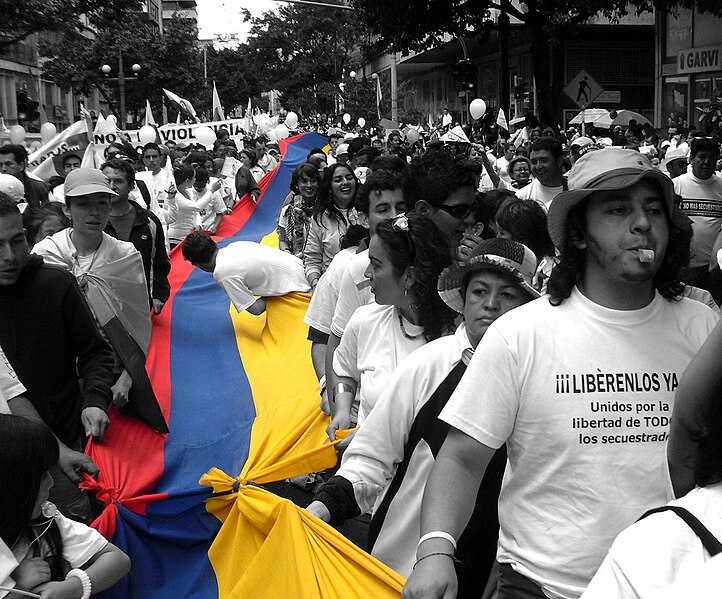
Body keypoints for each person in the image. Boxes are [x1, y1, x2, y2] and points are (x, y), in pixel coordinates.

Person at [403, 149, 718, 599]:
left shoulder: (701, 328)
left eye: (653, 211)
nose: (642, 223)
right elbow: (460, 458)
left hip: (672, 584)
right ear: (580, 233)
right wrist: (434, 551)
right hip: (542, 587)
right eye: (618, 210)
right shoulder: (520, 333)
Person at [307, 239, 539, 592]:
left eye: (507, 295)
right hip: (397, 576)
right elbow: (371, 458)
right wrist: (324, 507)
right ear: (463, 300)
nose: (490, 305)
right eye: (479, 291)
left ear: (526, 307)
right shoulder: (429, 365)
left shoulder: (539, 385)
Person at [0, 192, 114, 522]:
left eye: (17, 240)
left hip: (61, 455)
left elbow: (97, 353)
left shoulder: (55, 284)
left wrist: (95, 399)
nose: (9, 256)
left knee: (76, 541)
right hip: (10, 465)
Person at [33, 168, 153, 421]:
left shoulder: (125, 255)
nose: (94, 212)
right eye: (83, 204)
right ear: (67, 209)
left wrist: (127, 378)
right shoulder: (46, 254)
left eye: (102, 203)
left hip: (112, 372)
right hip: (61, 375)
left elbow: (139, 324)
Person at [328, 212, 456, 439]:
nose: (367, 274)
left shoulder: (458, 338)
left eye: (376, 265)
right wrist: (342, 409)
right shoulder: (364, 321)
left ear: (409, 276)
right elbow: (344, 371)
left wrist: (369, 438)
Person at [0, 414, 131, 598]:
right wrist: (19, 586)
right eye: (43, 476)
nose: (52, 482)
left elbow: (118, 560)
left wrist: (73, 587)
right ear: (14, 487)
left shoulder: (43, 522)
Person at [182, 231, 311, 316]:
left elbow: (256, 309)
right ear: (214, 243)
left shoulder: (222, 272)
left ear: (197, 265)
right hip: (307, 273)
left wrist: (276, 292)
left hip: (301, 292)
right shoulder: (235, 246)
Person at [101, 159, 171, 313]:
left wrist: (159, 295)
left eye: (118, 181)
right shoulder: (93, 222)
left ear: (131, 186)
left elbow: (160, 261)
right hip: (103, 306)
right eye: (107, 181)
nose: (112, 186)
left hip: (142, 306)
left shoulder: (149, 221)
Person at [673, 137, 722, 300]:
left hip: (713, 269)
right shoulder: (676, 186)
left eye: (711, 157)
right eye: (702, 157)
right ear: (692, 159)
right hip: (683, 266)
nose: (707, 162)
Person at [303, 163, 358, 288]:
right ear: (329, 188)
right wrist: (317, 285)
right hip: (333, 287)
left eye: (349, 178)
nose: (345, 182)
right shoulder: (320, 219)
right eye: (338, 180)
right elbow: (312, 259)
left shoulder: (368, 211)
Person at [166, 165, 223, 248]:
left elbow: (196, 212)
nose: (195, 180)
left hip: (189, 235)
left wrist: (198, 224)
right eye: (194, 177)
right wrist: (212, 190)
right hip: (176, 237)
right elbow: (197, 207)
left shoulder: (188, 193)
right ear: (187, 181)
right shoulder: (175, 196)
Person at [278, 163, 320, 256]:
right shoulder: (288, 211)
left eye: (313, 181)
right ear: (296, 184)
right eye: (304, 181)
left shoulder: (325, 209)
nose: (309, 185)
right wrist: (287, 252)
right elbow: (282, 240)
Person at [516, 137, 565, 210]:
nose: (538, 166)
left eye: (544, 160)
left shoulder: (576, 190)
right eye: (534, 162)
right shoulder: (522, 197)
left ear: (559, 161)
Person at [0, 144, 48, 209]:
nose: (3, 169)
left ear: (21, 166)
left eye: (8, 164)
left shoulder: (40, 188)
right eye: (0, 165)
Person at [189, 168, 227, 235]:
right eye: (197, 187)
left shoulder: (214, 192)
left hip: (208, 231)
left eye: (202, 188)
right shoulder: (187, 192)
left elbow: (220, 213)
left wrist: (215, 227)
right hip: (192, 231)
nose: (199, 189)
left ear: (207, 182)